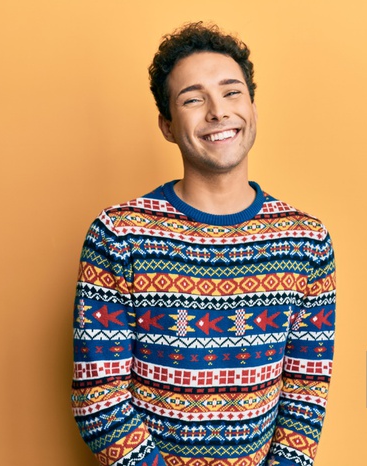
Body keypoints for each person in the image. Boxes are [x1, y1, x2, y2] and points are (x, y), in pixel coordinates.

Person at [72, 22, 336, 466]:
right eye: (193, 99)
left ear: (252, 107)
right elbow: (98, 400)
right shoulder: (119, 234)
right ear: (168, 126)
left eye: (232, 92)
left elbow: (306, 396)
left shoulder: (307, 240)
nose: (217, 111)